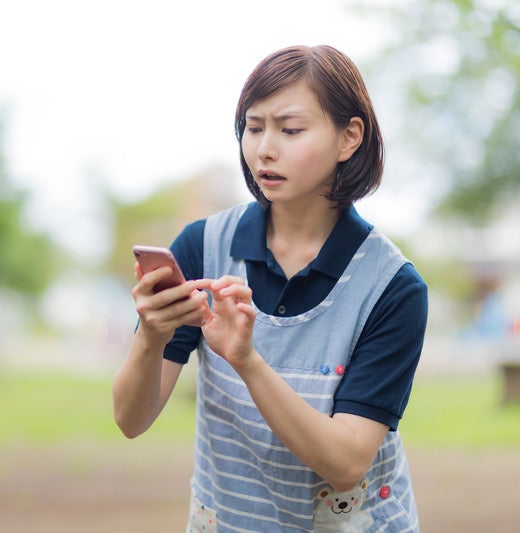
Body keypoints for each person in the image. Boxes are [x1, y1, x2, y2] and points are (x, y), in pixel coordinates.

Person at [112, 45, 427, 532]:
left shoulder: (392, 287)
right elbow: (131, 421)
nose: (264, 148)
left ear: (350, 137)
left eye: (290, 129)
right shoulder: (204, 247)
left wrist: (247, 361)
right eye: (253, 128)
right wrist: (151, 337)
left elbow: (346, 464)